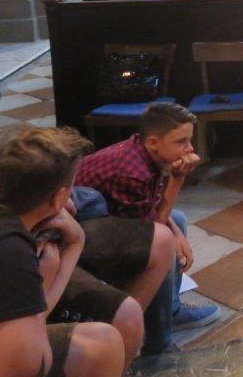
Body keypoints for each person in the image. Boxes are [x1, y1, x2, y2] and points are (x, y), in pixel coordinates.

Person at [0, 126, 126, 377]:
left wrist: (74, 246)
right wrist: (48, 277)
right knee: (102, 349)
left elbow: (22, 329)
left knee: (103, 340)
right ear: (59, 198)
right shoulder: (6, 252)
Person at [75, 103, 218, 334]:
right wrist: (177, 179)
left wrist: (177, 233)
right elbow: (154, 230)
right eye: (181, 141)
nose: (190, 148)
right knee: (163, 245)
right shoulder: (133, 173)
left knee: (178, 220)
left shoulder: (142, 148)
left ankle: (171, 311)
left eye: (189, 140)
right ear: (153, 142)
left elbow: (152, 206)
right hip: (84, 232)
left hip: (109, 215)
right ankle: (157, 336)